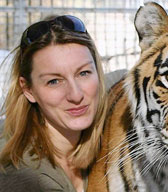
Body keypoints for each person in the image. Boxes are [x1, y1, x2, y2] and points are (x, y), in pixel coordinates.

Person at [0, 15, 107, 192]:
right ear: (28, 90)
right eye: (54, 81)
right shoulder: (26, 179)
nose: (76, 95)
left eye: (83, 73)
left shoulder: (92, 136)